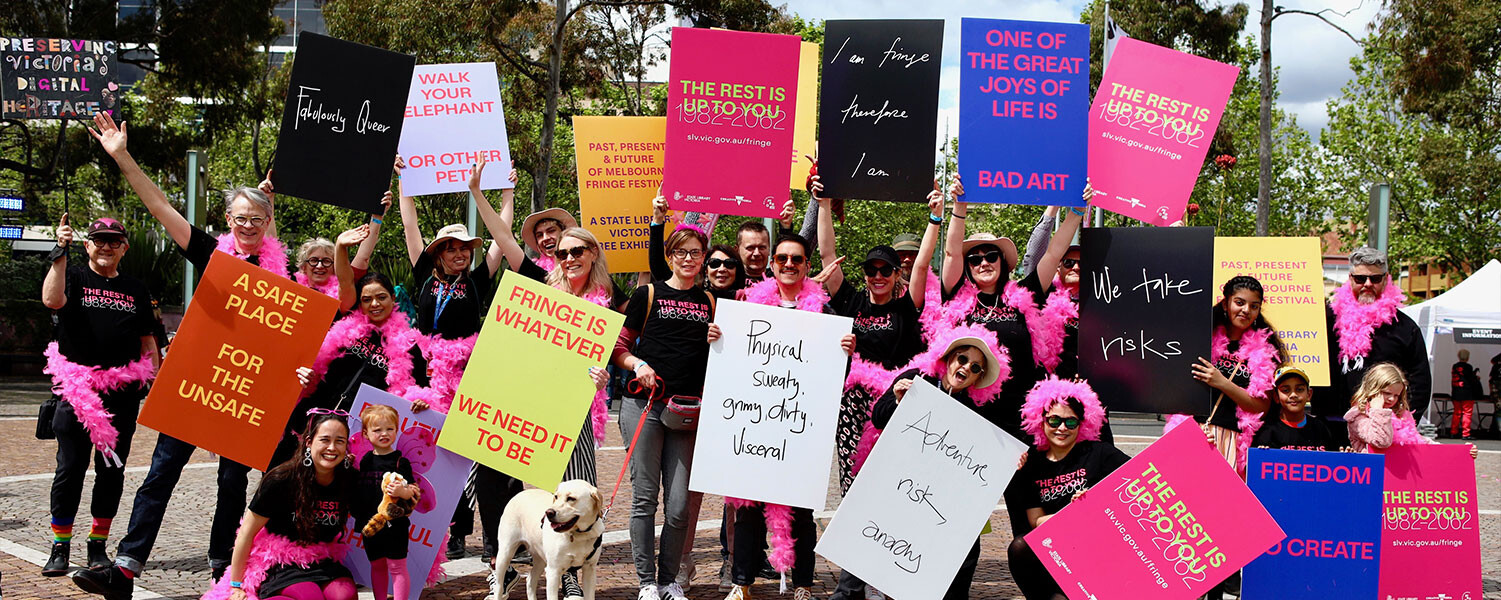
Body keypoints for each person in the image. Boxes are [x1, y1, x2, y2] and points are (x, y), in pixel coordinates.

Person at [75, 111, 290, 594]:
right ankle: (126, 568)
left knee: (232, 486)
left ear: (268, 221)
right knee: (159, 474)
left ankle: (221, 572)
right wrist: (123, 157)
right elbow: (159, 208)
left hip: (244, 388)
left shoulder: (283, 273)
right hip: (196, 381)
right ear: (227, 221)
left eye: (258, 219)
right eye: (240, 219)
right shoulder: (212, 251)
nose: (249, 226)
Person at [395, 157, 517, 563]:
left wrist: (507, 193)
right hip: (433, 376)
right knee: (443, 455)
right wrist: (404, 181)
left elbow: (501, 239)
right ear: (438, 255)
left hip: (475, 373)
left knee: (482, 457)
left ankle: (492, 543)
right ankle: (455, 533)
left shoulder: (478, 281)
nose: (460, 254)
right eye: (451, 249)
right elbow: (410, 226)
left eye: (464, 248)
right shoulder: (424, 278)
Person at [721, 233, 854, 600]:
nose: (789, 265)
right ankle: (742, 581)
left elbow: (834, 376)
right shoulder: (749, 307)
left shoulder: (825, 313)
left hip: (799, 425)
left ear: (807, 266)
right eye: (782, 259)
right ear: (772, 265)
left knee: (800, 507)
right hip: (756, 420)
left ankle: (803, 584)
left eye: (797, 259)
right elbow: (731, 359)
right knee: (747, 508)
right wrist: (719, 336)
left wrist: (845, 350)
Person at [40, 215, 160, 575]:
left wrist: (154, 381)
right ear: (88, 244)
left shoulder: (136, 289)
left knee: (111, 472)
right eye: (99, 240)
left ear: (124, 247)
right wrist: (60, 251)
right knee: (70, 469)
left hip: (122, 393)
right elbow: (51, 299)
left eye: (114, 240)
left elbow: (148, 341)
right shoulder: (73, 275)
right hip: (76, 391)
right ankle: (60, 547)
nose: (106, 246)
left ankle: (98, 546)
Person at [934, 176, 1083, 441]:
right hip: (967, 413)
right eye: (975, 259)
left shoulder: (1025, 293)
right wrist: (960, 207)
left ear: (1003, 262)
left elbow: (1053, 254)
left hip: (1020, 415)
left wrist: (1077, 211)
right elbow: (951, 254)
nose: (983, 263)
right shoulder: (957, 295)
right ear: (967, 267)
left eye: (991, 256)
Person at [866, 326, 1010, 600]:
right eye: (963, 359)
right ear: (949, 359)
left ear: (978, 378)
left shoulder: (975, 412)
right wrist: (897, 400)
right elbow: (878, 417)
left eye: (976, 367)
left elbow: (989, 456)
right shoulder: (915, 380)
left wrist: (1012, 457)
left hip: (945, 499)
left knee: (968, 548)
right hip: (904, 488)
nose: (967, 368)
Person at [613, 225, 715, 600]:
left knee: (678, 506)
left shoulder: (711, 301)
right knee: (644, 498)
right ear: (670, 256)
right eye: (682, 252)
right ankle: (646, 582)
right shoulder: (648, 294)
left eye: (696, 253)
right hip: (644, 407)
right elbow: (619, 347)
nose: (689, 259)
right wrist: (638, 364)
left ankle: (670, 580)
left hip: (685, 413)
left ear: (703, 259)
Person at [201, 412, 359, 600]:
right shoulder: (281, 480)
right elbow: (246, 532)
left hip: (322, 560)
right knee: (310, 597)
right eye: (324, 440)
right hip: (280, 563)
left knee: (345, 596)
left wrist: (401, 493)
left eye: (339, 441)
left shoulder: (348, 479)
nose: (332, 448)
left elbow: (372, 514)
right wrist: (236, 585)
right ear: (308, 442)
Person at [286, 268, 433, 467]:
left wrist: (421, 400)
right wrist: (306, 374)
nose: (375, 304)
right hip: (316, 421)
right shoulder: (344, 327)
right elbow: (314, 362)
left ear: (392, 298)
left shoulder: (410, 345)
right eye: (367, 299)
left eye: (381, 297)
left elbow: (420, 389)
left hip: (360, 435)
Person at [1007, 377, 1123, 600]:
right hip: (1055, 549)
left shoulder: (1100, 453)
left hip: (1096, 545)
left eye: (1071, 422)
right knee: (1020, 547)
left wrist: (1097, 499)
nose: (1062, 428)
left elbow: (1137, 476)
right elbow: (1035, 521)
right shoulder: (1031, 463)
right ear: (1041, 422)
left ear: (1082, 424)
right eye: (1054, 421)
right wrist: (1073, 514)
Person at [1320, 247, 1430, 436]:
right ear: (1350, 278)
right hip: (1329, 426)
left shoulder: (1404, 328)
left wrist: (1403, 426)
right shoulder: (1326, 320)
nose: (1368, 284)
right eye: (1360, 278)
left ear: (1386, 279)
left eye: (1375, 278)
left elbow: (1419, 383)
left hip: (1380, 430)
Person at [1185, 276, 1284, 474]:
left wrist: (1221, 382)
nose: (1246, 310)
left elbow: (1262, 407)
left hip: (1232, 439)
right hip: (1192, 430)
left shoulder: (1264, 350)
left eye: (1254, 306)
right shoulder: (1202, 337)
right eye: (1239, 302)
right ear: (1225, 303)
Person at [352, 405, 420, 600]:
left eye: (389, 429)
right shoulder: (365, 460)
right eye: (377, 430)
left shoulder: (400, 462)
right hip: (370, 523)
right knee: (377, 565)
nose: (384, 434)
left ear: (396, 430)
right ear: (366, 433)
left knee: (397, 566)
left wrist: (402, 491)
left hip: (395, 525)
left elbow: (413, 493)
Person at [1347, 363, 1477, 459]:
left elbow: (1418, 442)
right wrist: (1377, 410)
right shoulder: (1358, 416)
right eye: (1387, 393)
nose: (1392, 399)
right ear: (1373, 389)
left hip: (1398, 480)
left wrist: (1461, 452)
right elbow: (1381, 441)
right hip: (1373, 479)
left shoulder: (1400, 414)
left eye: (1397, 395)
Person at [1251, 367, 1340, 451]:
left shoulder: (1322, 428)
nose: (1293, 395)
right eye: (1286, 390)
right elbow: (1256, 464)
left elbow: (1335, 462)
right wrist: (1262, 456)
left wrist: (1346, 456)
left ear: (1309, 394)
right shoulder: (1267, 432)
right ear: (1276, 396)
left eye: (1299, 389)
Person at [1450, 349, 1482, 440]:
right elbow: (1471, 380)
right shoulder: (1468, 367)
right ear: (1467, 357)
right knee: (1467, 413)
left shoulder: (1454, 366)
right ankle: (1466, 433)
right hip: (1467, 393)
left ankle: (1453, 432)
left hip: (1456, 392)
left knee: (1456, 413)